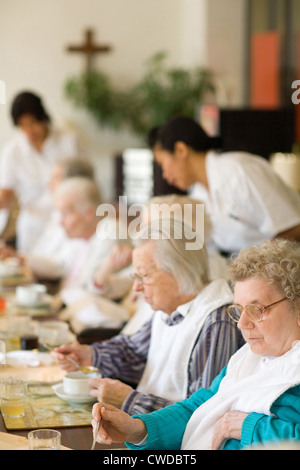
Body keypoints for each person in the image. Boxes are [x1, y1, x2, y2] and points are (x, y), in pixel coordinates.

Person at [91, 238, 300, 450]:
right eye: (238, 310)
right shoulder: (247, 357)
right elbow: (199, 408)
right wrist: (137, 429)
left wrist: (249, 427)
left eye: (257, 309)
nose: (242, 324)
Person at [52, 218, 243, 415]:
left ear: (179, 271)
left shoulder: (217, 321)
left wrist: (129, 400)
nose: (136, 287)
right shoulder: (169, 307)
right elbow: (135, 352)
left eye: (144, 276)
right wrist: (89, 355)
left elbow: (203, 413)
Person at [148, 116, 300, 254]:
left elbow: (294, 228)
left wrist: (256, 264)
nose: (164, 175)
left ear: (181, 150)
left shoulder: (239, 171)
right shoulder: (197, 195)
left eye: (162, 164)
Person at [0, 91, 81, 251]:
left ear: (43, 118)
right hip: (32, 226)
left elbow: (82, 183)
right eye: (22, 126)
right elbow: (6, 194)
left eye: (32, 123)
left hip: (64, 222)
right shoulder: (13, 151)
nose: (29, 130)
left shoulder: (69, 141)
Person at [52, 176, 130, 328]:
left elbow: (91, 288)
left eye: (66, 214)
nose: (60, 222)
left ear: (88, 214)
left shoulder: (110, 230)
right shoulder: (82, 237)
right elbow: (59, 265)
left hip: (88, 322)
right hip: (68, 311)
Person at [0, 157, 95, 280]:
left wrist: (19, 258)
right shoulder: (57, 214)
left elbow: (61, 265)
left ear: (73, 182)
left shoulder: (79, 220)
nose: (49, 184)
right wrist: (17, 257)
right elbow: (43, 252)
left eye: (55, 178)